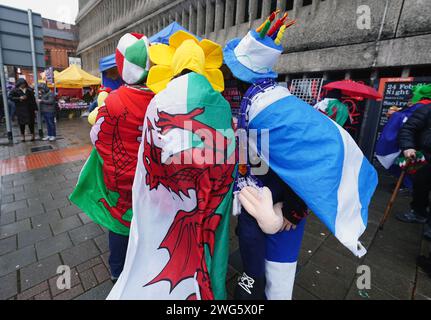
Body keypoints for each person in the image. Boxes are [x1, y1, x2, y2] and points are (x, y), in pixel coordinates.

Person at [223, 11, 378, 300]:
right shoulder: (263, 103)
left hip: (281, 201)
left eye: (232, 72)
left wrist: (294, 207)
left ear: (241, 76)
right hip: (256, 199)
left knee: (277, 265)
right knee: (254, 253)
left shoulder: (268, 110)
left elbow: (312, 156)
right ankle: (251, 282)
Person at [107, 30, 235, 300]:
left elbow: (150, 155)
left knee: (166, 242)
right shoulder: (221, 104)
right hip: (210, 195)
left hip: (171, 194)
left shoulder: (159, 101)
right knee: (207, 243)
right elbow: (228, 154)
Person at [70, 33, 154, 282]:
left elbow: (97, 137)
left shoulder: (114, 100)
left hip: (120, 178)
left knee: (118, 224)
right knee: (147, 221)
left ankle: (118, 271)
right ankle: (145, 264)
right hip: (150, 177)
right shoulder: (161, 98)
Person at [397, 84, 431, 240]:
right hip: (426, 156)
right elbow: (408, 128)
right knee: (421, 186)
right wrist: (408, 147)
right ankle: (418, 212)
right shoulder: (427, 110)